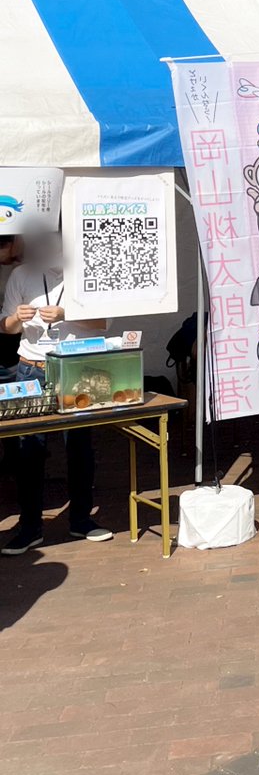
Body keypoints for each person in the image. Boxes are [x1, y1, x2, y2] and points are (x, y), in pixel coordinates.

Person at [1, 233, 111, 555]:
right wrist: (15, 321)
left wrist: (66, 314)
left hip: (75, 367)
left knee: (79, 447)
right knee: (28, 451)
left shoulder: (88, 273)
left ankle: (81, 519)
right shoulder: (21, 275)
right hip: (31, 368)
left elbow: (103, 321)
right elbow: (5, 326)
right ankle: (30, 526)